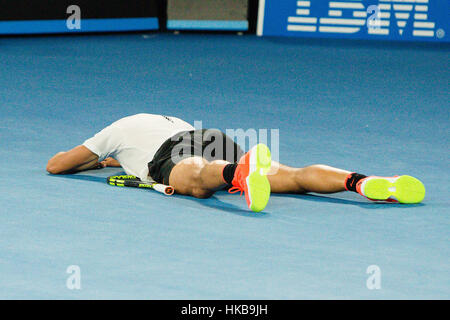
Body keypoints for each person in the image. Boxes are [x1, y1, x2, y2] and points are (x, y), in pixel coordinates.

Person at [46, 113, 425, 212]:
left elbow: (57, 165)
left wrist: (95, 159)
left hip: (175, 152)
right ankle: (364, 182)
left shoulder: (117, 128)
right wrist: (110, 161)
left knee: (195, 182)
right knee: (293, 177)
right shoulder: (164, 119)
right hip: (213, 138)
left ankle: (238, 174)